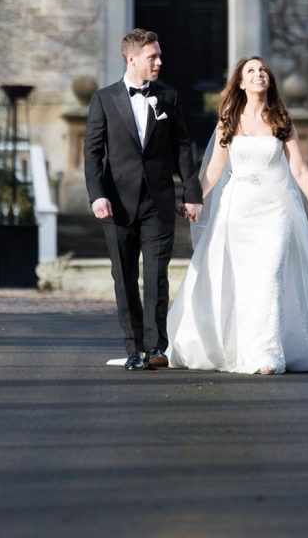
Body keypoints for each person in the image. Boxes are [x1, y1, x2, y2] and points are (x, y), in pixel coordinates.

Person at [167, 56, 308, 375]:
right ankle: (242, 346)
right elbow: (215, 169)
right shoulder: (228, 118)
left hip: (276, 208)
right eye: (251, 71)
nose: (259, 74)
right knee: (245, 281)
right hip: (239, 210)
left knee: (270, 275)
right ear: (240, 82)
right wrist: (194, 199)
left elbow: (300, 168)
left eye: (262, 70)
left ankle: (267, 353)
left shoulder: (280, 117)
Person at [85, 29, 202, 371]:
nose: (159, 62)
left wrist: (191, 195)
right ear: (131, 58)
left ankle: (155, 348)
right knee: (123, 276)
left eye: (159, 56)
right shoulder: (104, 99)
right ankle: (134, 347)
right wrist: (97, 195)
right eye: (153, 57)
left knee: (156, 276)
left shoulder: (169, 98)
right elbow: (92, 154)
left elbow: (183, 148)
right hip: (116, 204)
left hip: (158, 202)